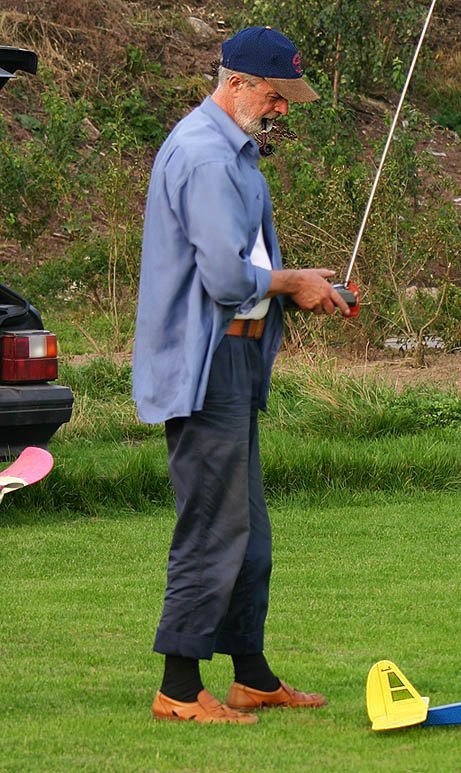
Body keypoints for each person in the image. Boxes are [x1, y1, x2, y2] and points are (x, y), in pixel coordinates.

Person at [132, 26, 351, 724]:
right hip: (206, 365)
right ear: (235, 84)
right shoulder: (204, 154)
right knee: (213, 528)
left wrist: (303, 285)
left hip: (235, 359)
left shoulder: (233, 153)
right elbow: (227, 279)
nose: (282, 108)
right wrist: (294, 282)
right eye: (275, 95)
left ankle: (250, 676)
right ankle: (178, 687)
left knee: (248, 533)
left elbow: (244, 270)